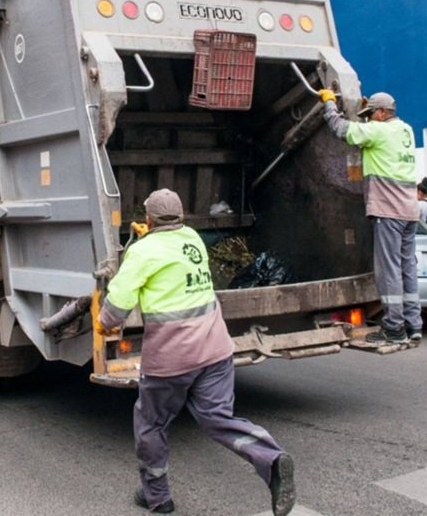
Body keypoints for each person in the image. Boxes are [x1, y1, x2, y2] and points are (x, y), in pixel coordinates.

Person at [97, 189, 296, 516]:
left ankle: (158, 497)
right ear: (182, 217)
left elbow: (116, 307)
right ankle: (272, 459)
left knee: (151, 424)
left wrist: (105, 322)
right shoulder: (192, 241)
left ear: (147, 220)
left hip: (171, 360)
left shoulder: (144, 251)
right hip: (216, 351)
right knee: (217, 419)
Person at [317, 90, 423, 344]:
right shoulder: (405, 130)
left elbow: (343, 130)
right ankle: (413, 325)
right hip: (410, 211)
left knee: (388, 270)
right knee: (407, 268)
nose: (370, 119)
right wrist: (366, 114)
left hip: (389, 211)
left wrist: (329, 104)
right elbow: (374, 134)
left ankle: (394, 328)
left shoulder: (378, 131)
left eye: (372, 114)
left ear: (382, 113)